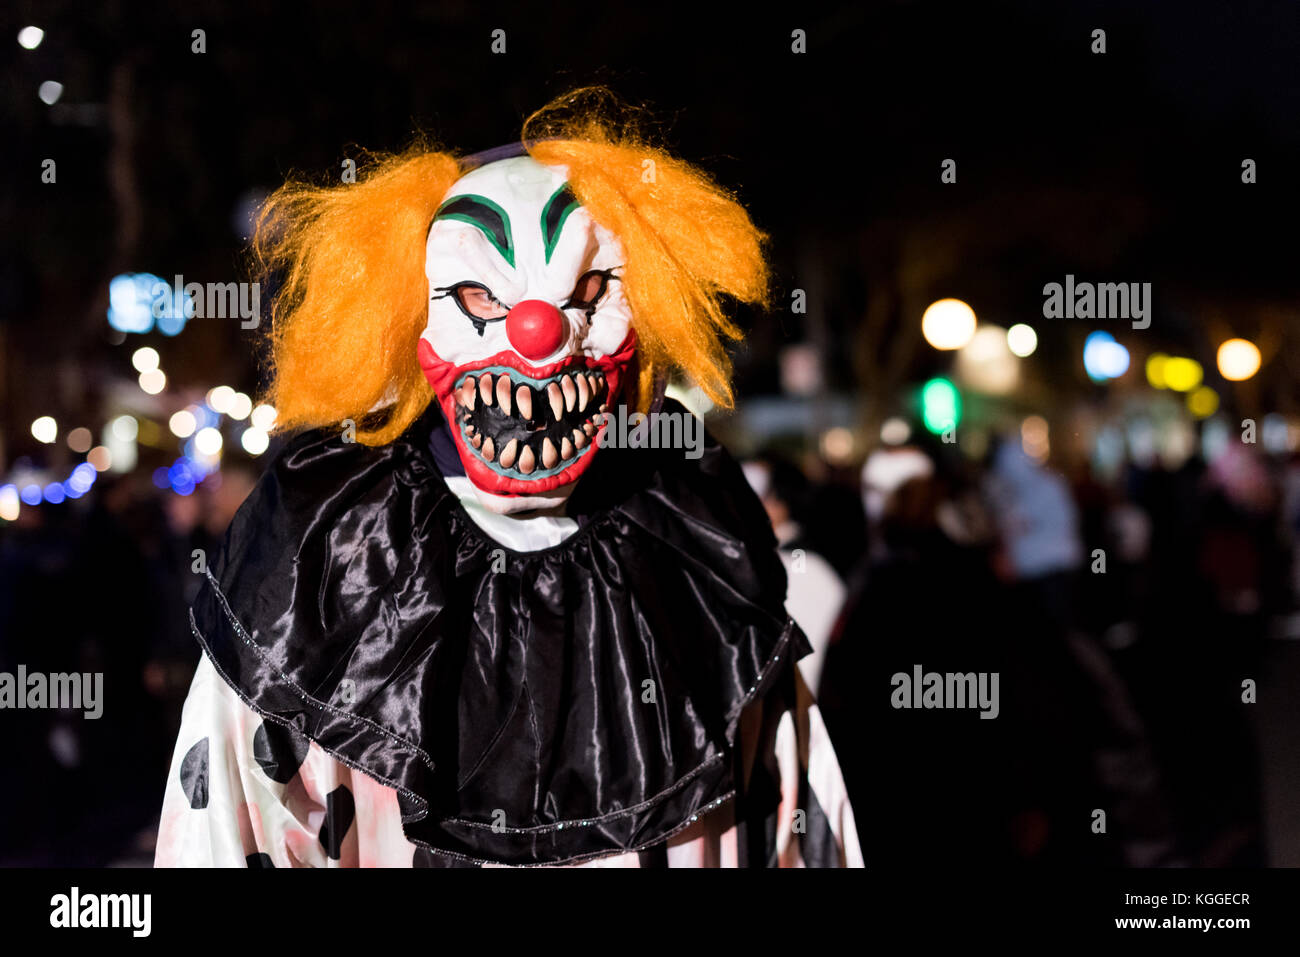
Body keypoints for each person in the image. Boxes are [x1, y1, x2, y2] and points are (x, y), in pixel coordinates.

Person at [155, 89, 860, 868]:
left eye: (591, 291)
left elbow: (798, 822)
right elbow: (226, 829)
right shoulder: (319, 562)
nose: (540, 334)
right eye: (482, 295)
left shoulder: (702, 546)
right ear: (406, 318)